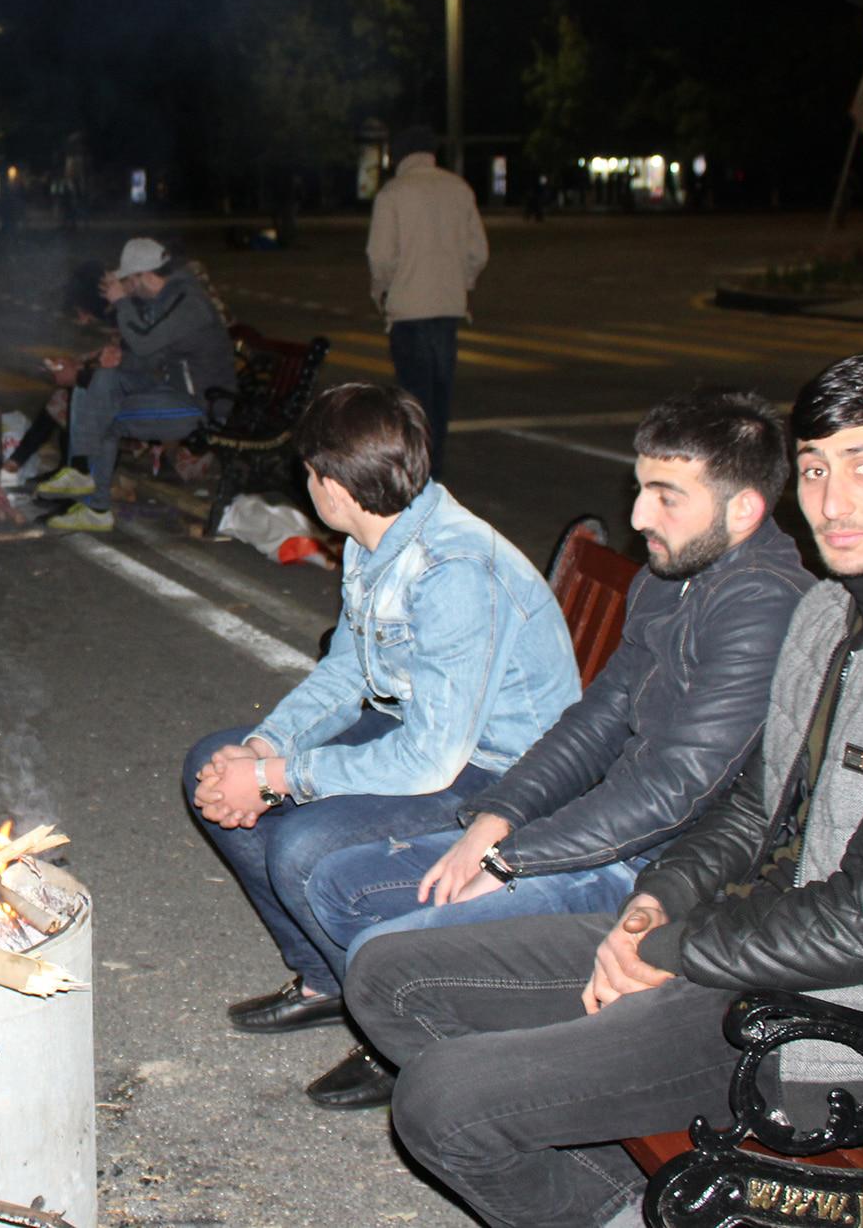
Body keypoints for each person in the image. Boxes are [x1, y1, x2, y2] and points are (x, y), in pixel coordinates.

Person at [346, 352, 863, 1228]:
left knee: (443, 1102)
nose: (832, 502)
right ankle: (635, 1206)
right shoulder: (829, 611)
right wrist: (654, 905)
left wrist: (673, 950)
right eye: (814, 469)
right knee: (389, 978)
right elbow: (751, 808)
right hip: (760, 957)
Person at [297, 389, 813, 1110]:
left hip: (659, 872)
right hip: (602, 833)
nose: (639, 516)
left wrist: (514, 859)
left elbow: (676, 789)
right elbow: (597, 719)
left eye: (666, 497)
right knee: (338, 887)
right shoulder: (674, 575)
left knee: (380, 958)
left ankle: (490, 1081)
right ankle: (442, 1041)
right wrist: (498, 817)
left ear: (745, 509)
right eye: (640, 489)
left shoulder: (765, 605)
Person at [185, 382, 579, 1044]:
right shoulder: (377, 535)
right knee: (211, 763)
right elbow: (347, 670)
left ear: (335, 489)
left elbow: (431, 759)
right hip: (426, 731)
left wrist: (277, 779)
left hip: (504, 774)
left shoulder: (454, 571)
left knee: (303, 849)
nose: (306, 483)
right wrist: (263, 749)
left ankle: (389, 1024)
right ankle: (327, 980)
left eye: (309, 472)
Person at [33, 238, 231, 533]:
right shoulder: (164, 301)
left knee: (106, 415)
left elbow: (145, 343)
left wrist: (121, 302)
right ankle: (80, 471)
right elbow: (146, 357)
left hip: (201, 404)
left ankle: (95, 503)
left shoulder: (186, 302)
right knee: (99, 381)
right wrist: (116, 359)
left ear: (144, 275)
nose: (126, 287)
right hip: (173, 391)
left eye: (128, 280)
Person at [366, 124, 487, 474]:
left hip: (408, 311)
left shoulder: (393, 193)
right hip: (448, 309)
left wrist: (381, 290)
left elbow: (380, 257)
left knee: (413, 401)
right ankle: (436, 470)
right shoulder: (459, 189)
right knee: (439, 399)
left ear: (400, 155)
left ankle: (417, 474)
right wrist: (462, 282)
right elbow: (478, 252)